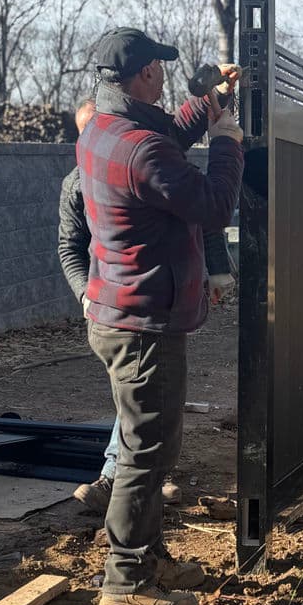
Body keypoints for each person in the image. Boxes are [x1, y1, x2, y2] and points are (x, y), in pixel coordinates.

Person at [78, 28, 243, 605]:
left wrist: (209, 103)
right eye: (161, 66)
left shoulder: (105, 128)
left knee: (149, 443)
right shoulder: (140, 149)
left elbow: (164, 136)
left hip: (122, 312)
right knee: (146, 452)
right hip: (143, 322)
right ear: (145, 73)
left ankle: (147, 556)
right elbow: (213, 206)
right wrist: (226, 141)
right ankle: (125, 583)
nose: (167, 74)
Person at [59, 97, 233, 514]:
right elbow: (70, 247)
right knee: (141, 402)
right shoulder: (78, 183)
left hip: (153, 301)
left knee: (143, 401)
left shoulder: (139, 156)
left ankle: (125, 485)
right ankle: (126, 516)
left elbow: (193, 214)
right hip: (121, 305)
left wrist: (218, 267)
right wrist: (85, 293)